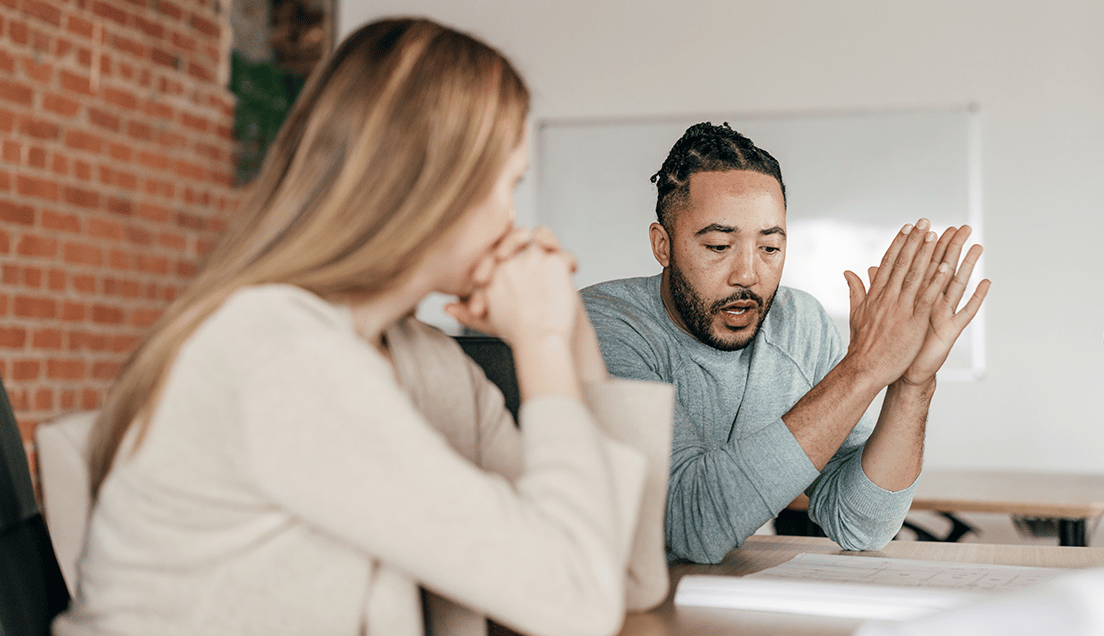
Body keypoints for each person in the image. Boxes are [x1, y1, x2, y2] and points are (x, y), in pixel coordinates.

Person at [53, 18, 674, 636]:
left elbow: (621, 579)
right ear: (437, 184)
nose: (514, 224)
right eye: (508, 186)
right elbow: (575, 604)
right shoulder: (280, 356)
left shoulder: (422, 362)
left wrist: (565, 327)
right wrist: (537, 340)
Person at [581, 122, 989, 564]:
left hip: (708, 601)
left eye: (770, 248)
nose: (748, 274)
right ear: (663, 246)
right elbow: (689, 524)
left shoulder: (800, 326)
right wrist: (864, 369)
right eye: (719, 246)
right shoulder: (602, 326)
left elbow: (861, 524)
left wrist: (912, 385)